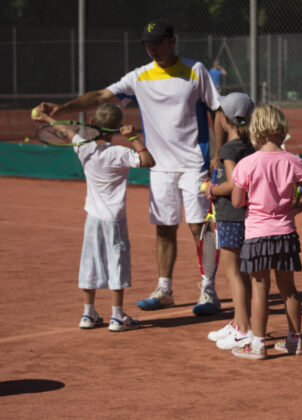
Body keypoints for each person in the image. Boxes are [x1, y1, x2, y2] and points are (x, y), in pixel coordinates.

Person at [38, 20, 225, 315]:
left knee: (199, 228)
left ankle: (208, 290)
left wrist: (218, 152)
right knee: (164, 229)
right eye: (147, 44)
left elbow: (216, 109)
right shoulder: (139, 77)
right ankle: (164, 290)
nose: (152, 49)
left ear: (172, 41)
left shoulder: (195, 70)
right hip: (159, 167)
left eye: (157, 43)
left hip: (193, 163)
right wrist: (62, 109)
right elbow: (101, 96)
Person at [31, 103, 155, 332]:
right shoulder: (120, 153)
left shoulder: (84, 147)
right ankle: (117, 317)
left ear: (93, 124)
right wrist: (134, 138)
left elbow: (66, 132)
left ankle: (88, 314)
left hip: (93, 219)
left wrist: (46, 118)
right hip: (114, 220)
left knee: (90, 262)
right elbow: (148, 161)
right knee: (117, 262)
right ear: (118, 126)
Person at [230, 104, 302, 360]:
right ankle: (295, 340)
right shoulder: (295, 161)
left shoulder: (246, 164)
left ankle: (258, 345)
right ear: (282, 129)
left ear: (256, 131)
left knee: (260, 289)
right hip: (285, 233)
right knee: (288, 289)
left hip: (257, 234)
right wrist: (293, 210)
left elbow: (237, 202)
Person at [204, 92, 256, 349]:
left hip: (231, 217)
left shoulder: (229, 149)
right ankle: (239, 322)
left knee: (233, 273)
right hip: (247, 217)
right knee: (243, 274)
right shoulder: (252, 147)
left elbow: (235, 184)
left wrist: (212, 190)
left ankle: (244, 328)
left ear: (224, 119)